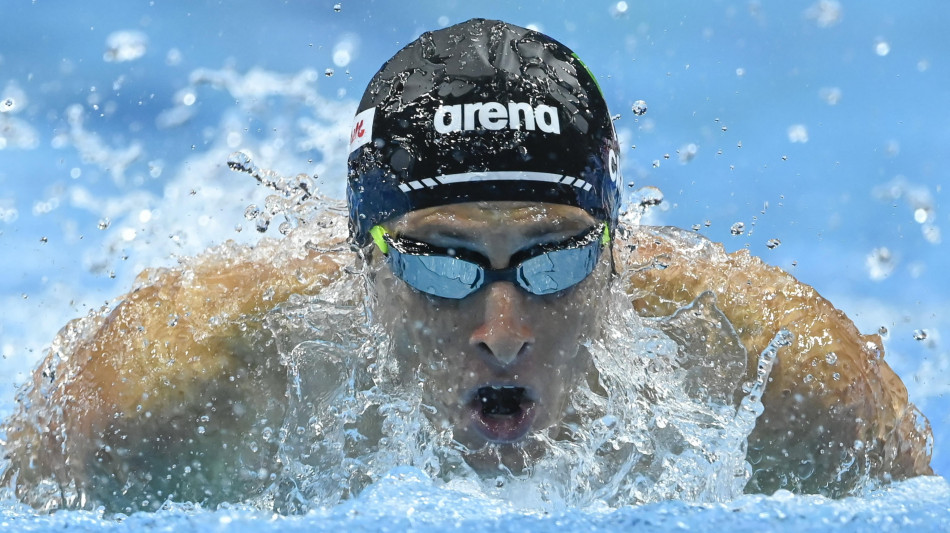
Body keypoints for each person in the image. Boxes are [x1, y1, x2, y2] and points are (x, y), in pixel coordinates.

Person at [1, 18, 932, 513]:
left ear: (618, 255)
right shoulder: (174, 389)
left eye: (554, 259)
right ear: (361, 264)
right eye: (442, 266)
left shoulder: (782, 377)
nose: (500, 331)